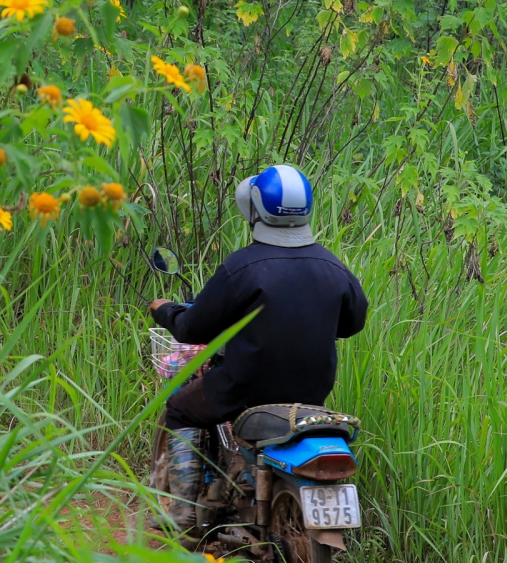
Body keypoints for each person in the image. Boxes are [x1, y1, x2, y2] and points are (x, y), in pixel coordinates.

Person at [148, 164, 368, 528]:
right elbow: (352, 324)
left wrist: (164, 310)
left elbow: (191, 327)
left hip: (246, 392)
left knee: (179, 409)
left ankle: (184, 513)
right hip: (311, 398)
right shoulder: (334, 267)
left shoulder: (241, 267)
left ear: (254, 209)